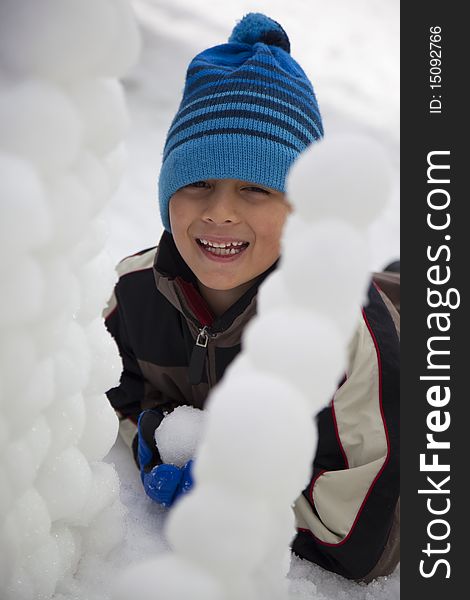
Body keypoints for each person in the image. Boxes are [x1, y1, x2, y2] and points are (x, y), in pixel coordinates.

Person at [103, 13, 400, 583]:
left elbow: (365, 538)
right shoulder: (133, 293)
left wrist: (229, 488)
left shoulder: (352, 337)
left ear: (301, 208)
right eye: (197, 184)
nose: (220, 211)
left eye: (256, 188)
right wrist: (152, 430)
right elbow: (106, 397)